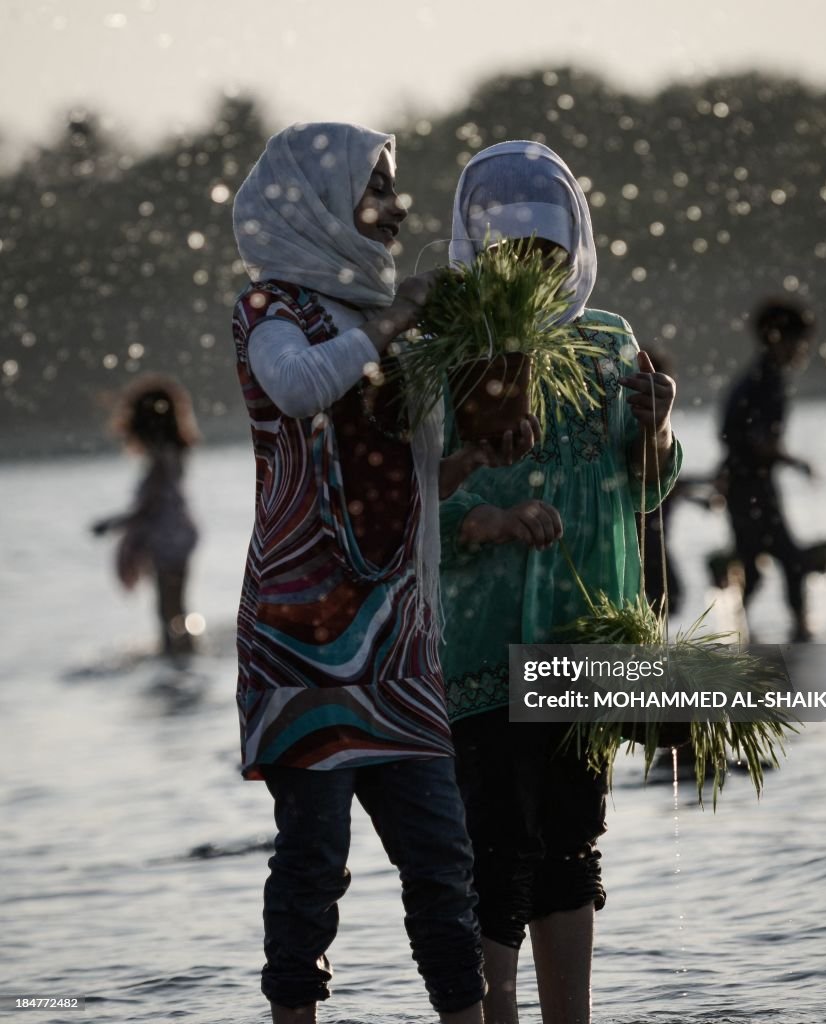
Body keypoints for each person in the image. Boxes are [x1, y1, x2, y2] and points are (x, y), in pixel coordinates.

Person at [232, 122, 537, 1024]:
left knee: (444, 863)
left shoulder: (385, 329)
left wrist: (479, 456)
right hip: (306, 641)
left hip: (397, 641)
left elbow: (397, 483)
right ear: (321, 203)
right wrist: (394, 319)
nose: (398, 207)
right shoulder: (271, 314)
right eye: (378, 188)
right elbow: (297, 389)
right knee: (314, 864)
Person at [439, 141, 682, 1024]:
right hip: (481, 644)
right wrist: (495, 523)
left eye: (545, 253)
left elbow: (646, 485)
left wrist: (654, 427)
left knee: (572, 842)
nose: (529, 272)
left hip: (586, 636)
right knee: (496, 846)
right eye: (509, 255)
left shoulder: (606, 340)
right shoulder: (446, 354)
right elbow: (403, 507)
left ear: (573, 245)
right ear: (475, 249)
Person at [719, 297, 817, 642]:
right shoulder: (764, 380)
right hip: (750, 487)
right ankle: (799, 632)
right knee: (789, 561)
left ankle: (743, 636)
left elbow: (736, 433)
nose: (802, 350)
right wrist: (794, 462)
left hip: (749, 485)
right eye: (798, 341)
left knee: (757, 564)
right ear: (778, 339)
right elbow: (750, 437)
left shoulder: (759, 377)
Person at [91, 374, 200, 658]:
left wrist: (110, 524)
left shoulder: (160, 461)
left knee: (167, 609)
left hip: (168, 540)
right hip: (180, 535)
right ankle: (184, 651)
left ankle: (177, 656)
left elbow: (146, 509)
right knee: (175, 606)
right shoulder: (174, 453)